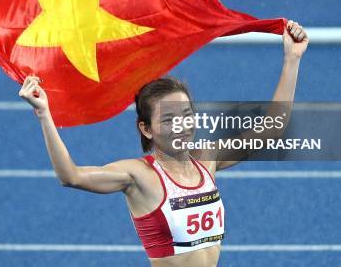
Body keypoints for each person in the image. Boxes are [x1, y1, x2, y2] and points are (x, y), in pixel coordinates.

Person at [18, 20, 309, 266]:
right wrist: (44, 114)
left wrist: (292, 59)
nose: (181, 125)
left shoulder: (206, 160)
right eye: (169, 119)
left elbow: (272, 129)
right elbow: (71, 176)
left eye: (186, 115)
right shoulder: (138, 177)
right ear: (146, 129)